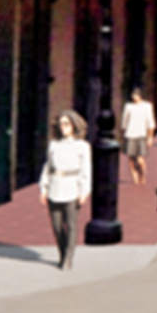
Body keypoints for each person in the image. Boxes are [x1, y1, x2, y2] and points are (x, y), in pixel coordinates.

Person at [39, 109, 91, 269]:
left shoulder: (82, 146)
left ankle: (68, 258)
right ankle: (62, 252)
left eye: (67, 124)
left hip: (72, 187)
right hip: (55, 186)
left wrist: (84, 191)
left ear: (74, 125)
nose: (63, 127)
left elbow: (86, 170)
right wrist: (43, 188)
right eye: (61, 124)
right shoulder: (54, 145)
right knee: (56, 226)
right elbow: (47, 167)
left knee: (71, 225)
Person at [120, 87, 155, 186]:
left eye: (136, 95)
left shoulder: (147, 106)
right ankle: (135, 178)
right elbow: (124, 121)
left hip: (141, 134)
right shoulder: (128, 106)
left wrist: (150, 137)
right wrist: (123, 133)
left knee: (140, 158)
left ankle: (142, 175)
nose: (134, 97)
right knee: (130, 158)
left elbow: (150, 123)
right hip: (130, 134)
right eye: (133, 95)